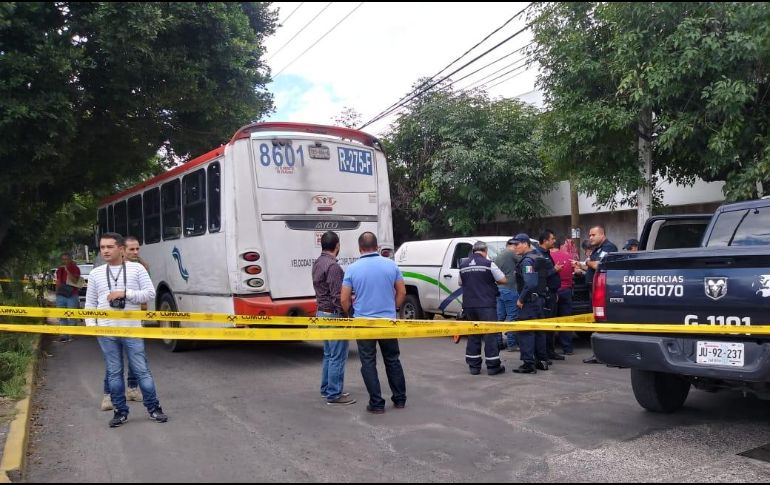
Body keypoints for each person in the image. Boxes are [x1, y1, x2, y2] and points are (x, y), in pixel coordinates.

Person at [85, 232, 168, 428]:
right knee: (114, 372)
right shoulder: (96, 273)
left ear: (120, 249)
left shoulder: (136, 269)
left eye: (109, 247)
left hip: (132, 330)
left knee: (142, 371)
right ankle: (120, 411)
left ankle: (154, 408)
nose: (105, 250)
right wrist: (92, 326)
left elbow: (149, 293)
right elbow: (90, 303)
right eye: (102, 247)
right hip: (106, 332)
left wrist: (125, 293)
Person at [341, 232, 406, 414]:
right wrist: (393, 309)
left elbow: (344, 299)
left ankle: (377, 403)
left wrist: (350, 314)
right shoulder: (391, 265)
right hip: (387, 322)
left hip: (363, 322)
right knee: (392, 360)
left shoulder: (353, 269)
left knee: (368, 362)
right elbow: (401, 291)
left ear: (360, 248)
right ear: (376, 247)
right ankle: (400, 399)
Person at [100, 236, 144, 411]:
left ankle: (132, 389)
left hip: (134, 321)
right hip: (112, 323)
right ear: (122, 250)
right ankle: (108, 395)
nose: (135, 252)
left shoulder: (140, 268)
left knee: (136, 360)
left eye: (137, 249)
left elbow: (146, 292)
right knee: (114, 363)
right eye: (131, 249)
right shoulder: (111, 271)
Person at [312, 231, 355, 406]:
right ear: (337, 245)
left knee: (329, 354)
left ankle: (327, 389)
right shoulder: (334, 267)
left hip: (321, 313)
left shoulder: (317, 263)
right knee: (337, 356)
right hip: (333, 316)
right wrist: (347, 315)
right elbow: (338, 297)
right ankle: (334, 394)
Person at [460, 241, 508, 375]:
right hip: (486, 305)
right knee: (490, 335)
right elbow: (503, 280)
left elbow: (460, 282)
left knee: (473, 335)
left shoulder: (463, 265)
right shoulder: (488, 264)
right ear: (485, 251)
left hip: (469, 305)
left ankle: (474, 367)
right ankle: (493, 367)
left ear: (473, 250)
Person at [573, 225, 618, 364]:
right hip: (594, 289)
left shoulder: (609, 248)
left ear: (602, 234)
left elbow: (599, 265)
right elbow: (591, 265)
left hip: (602, 290)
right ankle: (600, 354)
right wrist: (580, 265)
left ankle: (606, 355)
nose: (590, 237)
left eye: (593, 235)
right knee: (597, 321)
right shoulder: (597, 249)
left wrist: (587, 262)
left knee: (603, 321)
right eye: (590, 235)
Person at [510, 234, 550, 374]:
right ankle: (542, 361)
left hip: (529, 302)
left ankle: (528, 364)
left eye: (517, 244)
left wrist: (521, 299)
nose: (514, 248)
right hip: (540, 300)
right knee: (539, 332)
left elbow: (531, 283)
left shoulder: (527, 261)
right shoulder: (538, 256)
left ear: (525, 244)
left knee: (526, 332)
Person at [535, 229, 565, 362]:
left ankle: (551, 351)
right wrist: (555, 270)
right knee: (546, 325)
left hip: (552, 293)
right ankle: (544, 354)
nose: (554, 241)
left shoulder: (546, 253)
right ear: (545, 240)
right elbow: (541, 276)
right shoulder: (538, 255)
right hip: (545, 294)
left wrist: (555, 292)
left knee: (552, 324)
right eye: (552, 239)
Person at [550, 237, 576, 355]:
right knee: (566, 320)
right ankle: (567, 348)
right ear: (560, 246)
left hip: (552, 292)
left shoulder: (546, 257)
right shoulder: (568, 257)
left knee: (551, 320)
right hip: (566, 291)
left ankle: (550, 349)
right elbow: (575, 270)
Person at [494, 239, 520, 352]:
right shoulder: (511, 253)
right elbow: (524, 261)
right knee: (512, 317)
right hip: (510, 289)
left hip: (499, 289)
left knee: (500, 317)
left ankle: (498, 342)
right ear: (512, 246)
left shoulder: (498, 256)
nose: (518, 248)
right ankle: (511, 344)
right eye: (517, 246)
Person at [54, 252, 81, 343]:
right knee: (62, 315)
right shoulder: (59, 270)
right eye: (63, 259)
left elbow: (75, 280)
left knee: (71, 315)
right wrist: (57, 294)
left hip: (72, 295)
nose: (64, 261)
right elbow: (58, 281)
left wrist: (67, 270)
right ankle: (64, 335)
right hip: (61, 295)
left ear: (70, 259)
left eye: (66, 259)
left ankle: (71, 334)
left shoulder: (75, 268)